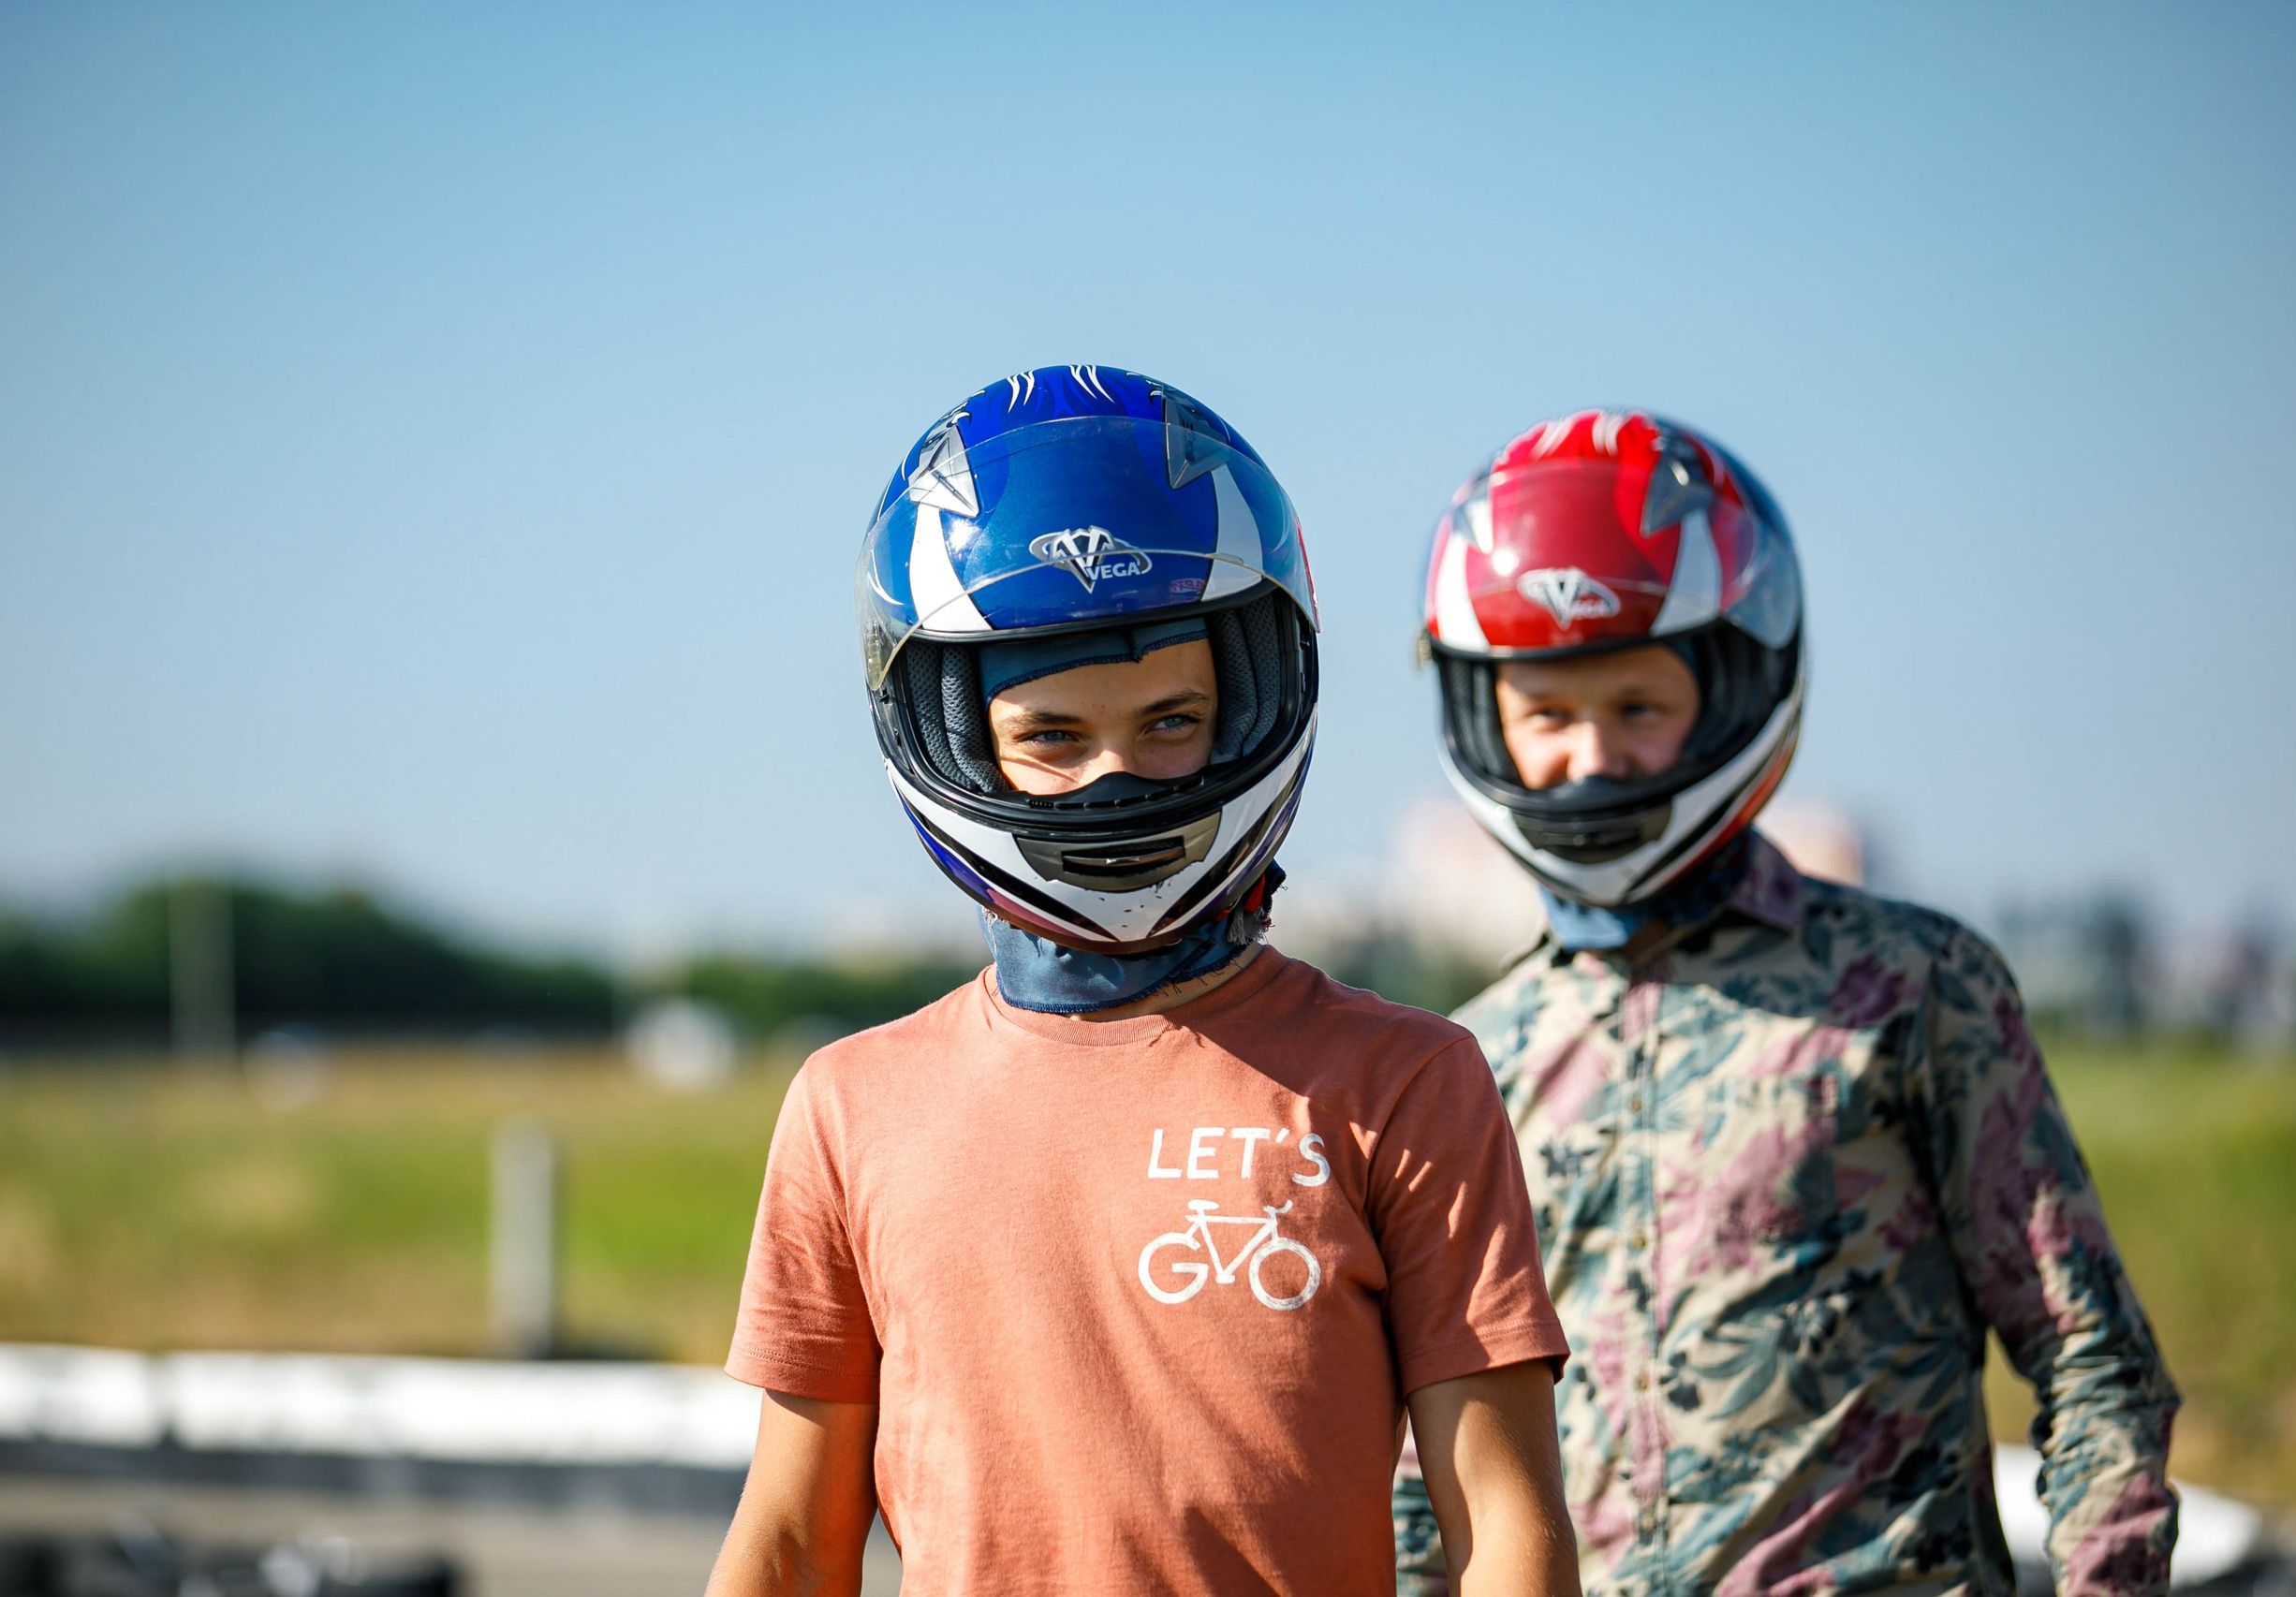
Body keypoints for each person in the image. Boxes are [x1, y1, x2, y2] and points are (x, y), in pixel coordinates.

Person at [707, 366, 1580, 1597]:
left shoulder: (1406, 1081)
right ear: (955, 737)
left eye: (1172, 720)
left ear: (1248, 709)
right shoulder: (851, 1106)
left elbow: (1508, 1530)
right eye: (1053, 735)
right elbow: (792, 1540)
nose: (1117, 776)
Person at [1391, 410, 2180, 1597]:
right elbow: (1429, 1473)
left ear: (1731, 692)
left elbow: (2090, 1357)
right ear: (1485, 717)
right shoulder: (1470, 1059)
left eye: (1638, 706)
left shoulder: (1911, 987)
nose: (1590, 757)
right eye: (1546, 715)